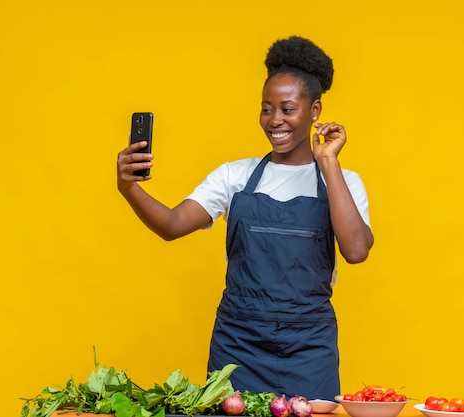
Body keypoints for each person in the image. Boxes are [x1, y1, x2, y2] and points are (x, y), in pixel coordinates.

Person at [117, 36, 373, 400]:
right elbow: (172, 226)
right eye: (266, 109)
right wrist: (129, 188)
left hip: (309, 346)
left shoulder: (343, 182)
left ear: (315, 110)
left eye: (287, 108)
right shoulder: (234, 176)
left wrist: (328, 161)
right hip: (238, 345)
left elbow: (356, 250)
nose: (274, 120)